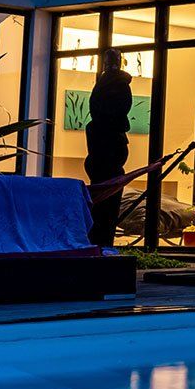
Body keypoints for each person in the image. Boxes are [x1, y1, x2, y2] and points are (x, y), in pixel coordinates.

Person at [85, 48, 132, 246]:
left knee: (104, 205)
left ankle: (100, 241)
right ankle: (102, 242)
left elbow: (97, 106)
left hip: (106, 152)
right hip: (107, 152)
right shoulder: (117, 87)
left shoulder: (109, 87)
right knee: (105, 206)